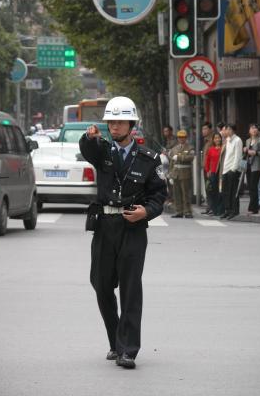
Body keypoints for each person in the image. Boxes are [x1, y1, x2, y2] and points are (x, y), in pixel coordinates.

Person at [79, 96, 167, 369]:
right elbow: (87, 149)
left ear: (131, 124)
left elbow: (158, 196)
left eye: (119, 121)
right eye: (110, 122)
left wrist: (146, 212)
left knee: (130, 289)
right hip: (105, 227)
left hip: (132, 228)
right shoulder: (102, 151)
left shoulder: (149, 159)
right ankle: (115, 340)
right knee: (101, 284)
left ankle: (128, 349)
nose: (113, 126)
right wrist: (88, 136)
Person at [168, 129, 195, 218]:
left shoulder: (190, 148)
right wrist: (170, 174)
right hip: (176, 174)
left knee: (186, 193)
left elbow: (190, 157)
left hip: (185, 173)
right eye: (179, 137)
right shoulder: (174, 148)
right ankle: (179, 211)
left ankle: (188, 211)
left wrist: (179, 157)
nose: (181, 139)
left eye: (183, 137)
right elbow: (172, 162)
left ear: (186, 138)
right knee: (177, 194)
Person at [220, 124, 243, 220]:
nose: (226, 131)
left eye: (228, 129)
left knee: (233, 191)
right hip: (226, 169)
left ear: (233, 130)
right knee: (225, 191)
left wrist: (233, 169)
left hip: (232, 169)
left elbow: (238, 156)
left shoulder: (238, 140)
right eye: (226, 129)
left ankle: (234, 210)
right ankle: (227, 210)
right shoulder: (228, 140)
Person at [243, 124, 260, 214]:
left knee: (253, 186)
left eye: (255, 128)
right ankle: (252, 207)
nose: (254, 129)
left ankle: (254, 208)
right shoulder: (248, 141)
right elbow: (246, 154)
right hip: (248, 165)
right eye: (252, 128)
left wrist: (255, 152)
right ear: (249, 131)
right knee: (251, 186)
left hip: (257, 165)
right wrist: (245, 150)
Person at [205, 133, 224, 216]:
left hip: (221, 172)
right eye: (215, 138)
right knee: (213, 191)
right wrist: (207, 171)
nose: (217, 140)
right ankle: (214, 209)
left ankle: (221, 210)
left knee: (221, 191)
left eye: (218, 138)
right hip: (212, 173)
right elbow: (207, 161)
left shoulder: (223, 148)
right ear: (213, 140)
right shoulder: (211, 149)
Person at [201, 122, 213, 214]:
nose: (203, 131)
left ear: (210, 129)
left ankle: (212, 206)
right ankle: (209, 206)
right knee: (207, 188)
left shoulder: (212, 140)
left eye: (205, 129)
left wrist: (209, 168)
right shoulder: (205, 140)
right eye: (203, 129)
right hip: (205, 167)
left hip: (210, 168)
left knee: (210, 188)